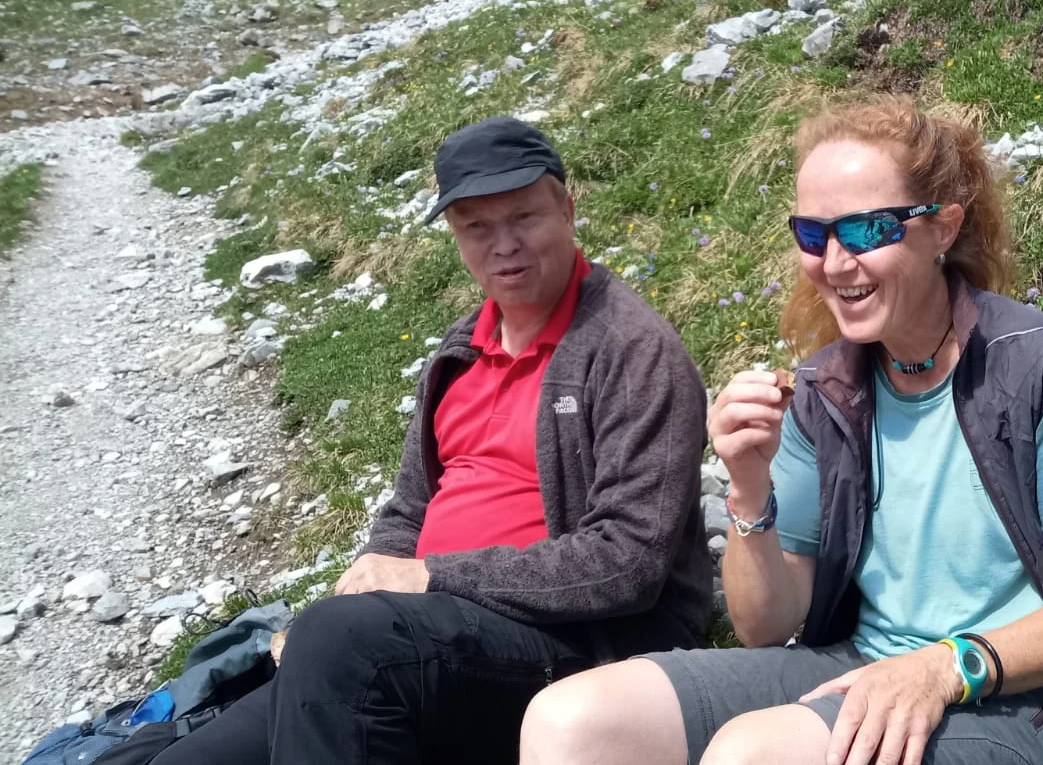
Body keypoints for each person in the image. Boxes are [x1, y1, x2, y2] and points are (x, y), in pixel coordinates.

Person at [521, 98, 1043, 765]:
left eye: (866, 231)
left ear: (942, 228)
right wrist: (749, 486)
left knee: (755, 754)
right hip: (866, 662)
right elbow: (767, 625)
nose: (835, 262)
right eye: (814, 235)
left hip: (1033, 694)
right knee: (570, 720)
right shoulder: (826, 389)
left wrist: (943, 668)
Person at [150, 117, 714, 765]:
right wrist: (370, 591)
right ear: (455, 234)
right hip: (428, 631)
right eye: (477, 226)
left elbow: (628, 562)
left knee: (342, 647)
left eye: (525, 216)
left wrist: (428, 578)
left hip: (579, 643)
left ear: (567, 208)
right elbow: (409, 510)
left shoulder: (631, 350)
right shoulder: (460, 351)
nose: (505, 245)